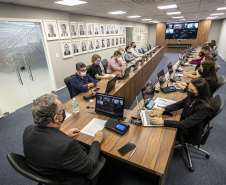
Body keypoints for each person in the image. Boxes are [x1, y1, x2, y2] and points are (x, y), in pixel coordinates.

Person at [23, 93, 104, 185]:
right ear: (56, 118)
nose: (64, 112)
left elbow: (47, 142)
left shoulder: (28, 130)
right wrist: (96, 141)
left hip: (46, 171)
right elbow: (89, 167)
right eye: (62, 111)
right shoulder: (67, 145)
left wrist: (63, 135)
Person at [150, 78, 215, 143]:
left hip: (189, 133)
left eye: (191, 90)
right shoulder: (194, 96)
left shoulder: (204, 108)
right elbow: (180, 104)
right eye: (188, 88)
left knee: (159, 133)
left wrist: (163, 122)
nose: (188, 90)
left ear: (200, 92)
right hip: (184, 122)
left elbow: (185, 124)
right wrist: (163, 109)